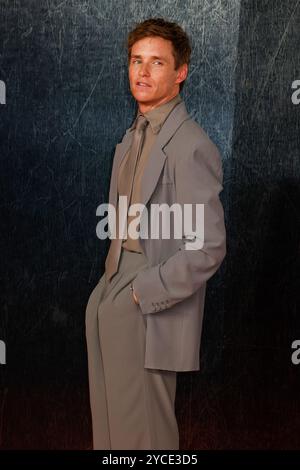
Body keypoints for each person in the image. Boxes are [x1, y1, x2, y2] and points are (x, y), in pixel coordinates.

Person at [85, 17, 226, 450]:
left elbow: (208, 247)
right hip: (112, 285)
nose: (142, 73)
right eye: (136, 61)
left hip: (146, 297)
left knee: (143, 436)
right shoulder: (132, 136)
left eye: (157, 63)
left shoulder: (191, 144)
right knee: (110, 431)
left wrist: (143, 291)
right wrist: (110, 289)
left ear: (180, 72)